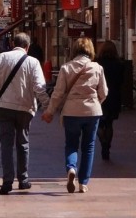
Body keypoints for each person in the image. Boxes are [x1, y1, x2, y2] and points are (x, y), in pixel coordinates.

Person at [0, 32, 50, 195]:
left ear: (13, 44)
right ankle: (23, 179)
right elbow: (40, 87)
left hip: (4, 107)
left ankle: (7, 181)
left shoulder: (1, 58)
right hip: (25, 108)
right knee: (23, 143)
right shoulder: (33, 62)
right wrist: (48, 107)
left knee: (6, 144)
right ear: (27, 47)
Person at [42, 36, 108, 194]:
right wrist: (95, 102)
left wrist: (49, 112)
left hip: (71, 111)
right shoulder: (97, 68)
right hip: (92, 112)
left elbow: (57, 94)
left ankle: (71, 168)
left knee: (71, 144)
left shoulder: (66, 68)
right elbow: (104, 92)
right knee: (89, 147)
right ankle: (83, 182)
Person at [96, 40, 124, 160]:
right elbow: (121, 82)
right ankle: (107, 146)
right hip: (114, 96)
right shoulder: (119, 64)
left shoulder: (96, 64)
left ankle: (103, 142)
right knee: (109, 123)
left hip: (99, 97)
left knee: (100, 123)